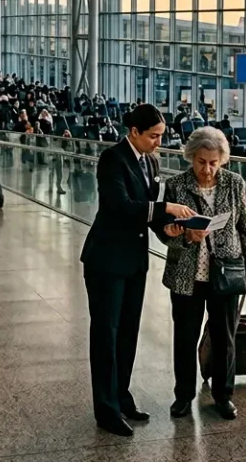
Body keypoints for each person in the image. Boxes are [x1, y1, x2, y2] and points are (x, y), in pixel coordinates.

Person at [80, 104, 195, 437]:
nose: (158, 142)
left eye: (161, 136)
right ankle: (106, 408)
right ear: (135, 133)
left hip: (134, 260)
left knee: (128, 330)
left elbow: (145, 216)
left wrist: (166, 229)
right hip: (106, 260)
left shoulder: (151, 161)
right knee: (106, 333)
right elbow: (118, 206)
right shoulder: (112, 159)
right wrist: (164, 208)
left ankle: (121, 395)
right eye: (154, 136)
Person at [156, 126, 246, 422]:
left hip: (225, 273)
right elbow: (165, 234)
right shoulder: (176, 185)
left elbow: (244, 228)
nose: (207, 169)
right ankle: (183, 396)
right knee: (185, 338)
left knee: (224, 338)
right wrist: (184, 237)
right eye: (201, 162)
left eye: (214, 162)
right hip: (186, 275)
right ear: (191, 157)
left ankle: (223, 395)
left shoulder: (233, 183)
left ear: (223, 160)